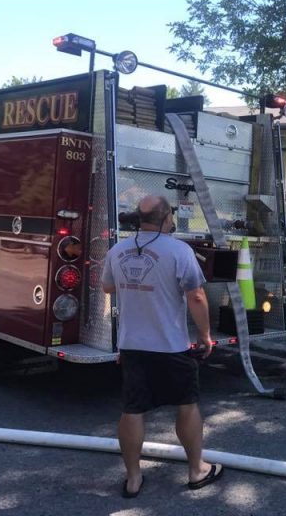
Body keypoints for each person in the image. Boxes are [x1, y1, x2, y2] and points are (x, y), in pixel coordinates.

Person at [102, 195, 223, 498]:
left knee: (133, 410)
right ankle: (197, 470)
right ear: (167, 217)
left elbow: (107, 286)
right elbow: (196, 296)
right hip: (171, 347)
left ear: (137, 219)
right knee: (186, 405)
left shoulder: (118, 250)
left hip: (132, 347)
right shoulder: (179, 251)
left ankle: (132, 479)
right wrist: (205, 335)